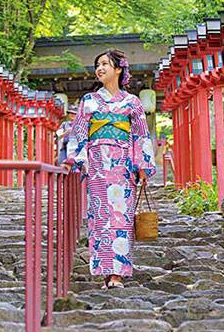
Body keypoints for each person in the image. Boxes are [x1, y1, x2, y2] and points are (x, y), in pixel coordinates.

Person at [62, 48, 156, 289]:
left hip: (124, 167)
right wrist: (75, 159)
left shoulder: (132, 102)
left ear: (118, 69)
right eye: (98, 65)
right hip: (96, 167)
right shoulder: (89, 101)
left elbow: (140, 135)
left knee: (121, 219)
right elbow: (79, 132)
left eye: (105, 64)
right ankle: (106, 271)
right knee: (101, 217)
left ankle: (118, 273)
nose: (100, 68)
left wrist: (143, 166)